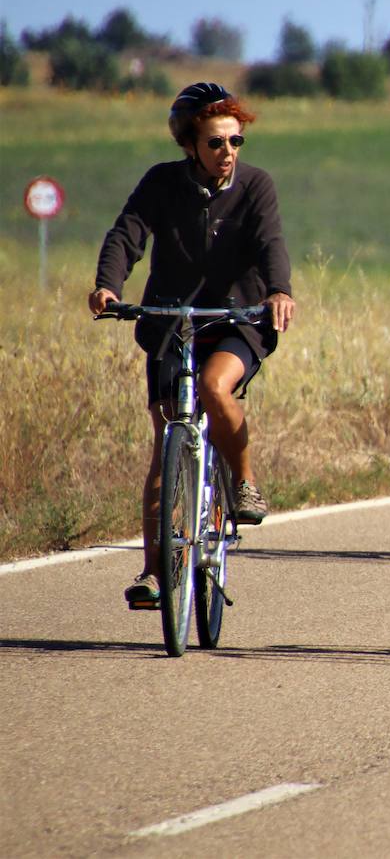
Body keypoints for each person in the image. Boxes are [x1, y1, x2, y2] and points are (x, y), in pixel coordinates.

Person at [89, 82, 295, 606]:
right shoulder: (161, 183)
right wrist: (108, 284)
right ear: (189, 145)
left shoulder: (256, 187)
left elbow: (272, 243)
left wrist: (279, 292)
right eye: (215, 143)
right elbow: (126, 234)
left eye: (236, 142)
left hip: (236, 320)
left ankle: (244, 481)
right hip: (170, 322)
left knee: (213, 385)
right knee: (166, 442)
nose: (228, 152)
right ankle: (154, 573)